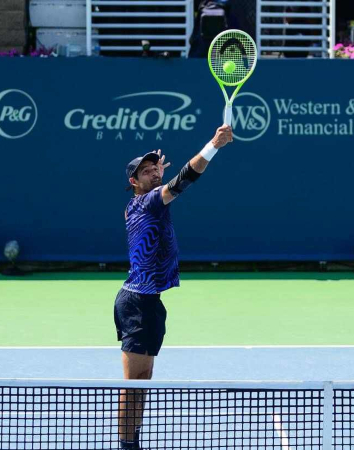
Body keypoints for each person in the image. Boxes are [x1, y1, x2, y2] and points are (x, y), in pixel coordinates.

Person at [114, 125, 233, 449]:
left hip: (149, 303)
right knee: (133, 385)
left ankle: (133, 441)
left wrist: (156, 177)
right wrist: (213, 145)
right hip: (136, 303)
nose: (153, 172)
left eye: (155, 168)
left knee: (143, 382)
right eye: (145, 171)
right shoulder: (147, 202)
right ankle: (126, 445)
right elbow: (184, 179)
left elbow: (169, 183)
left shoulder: (145, 201)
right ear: (133, 182)